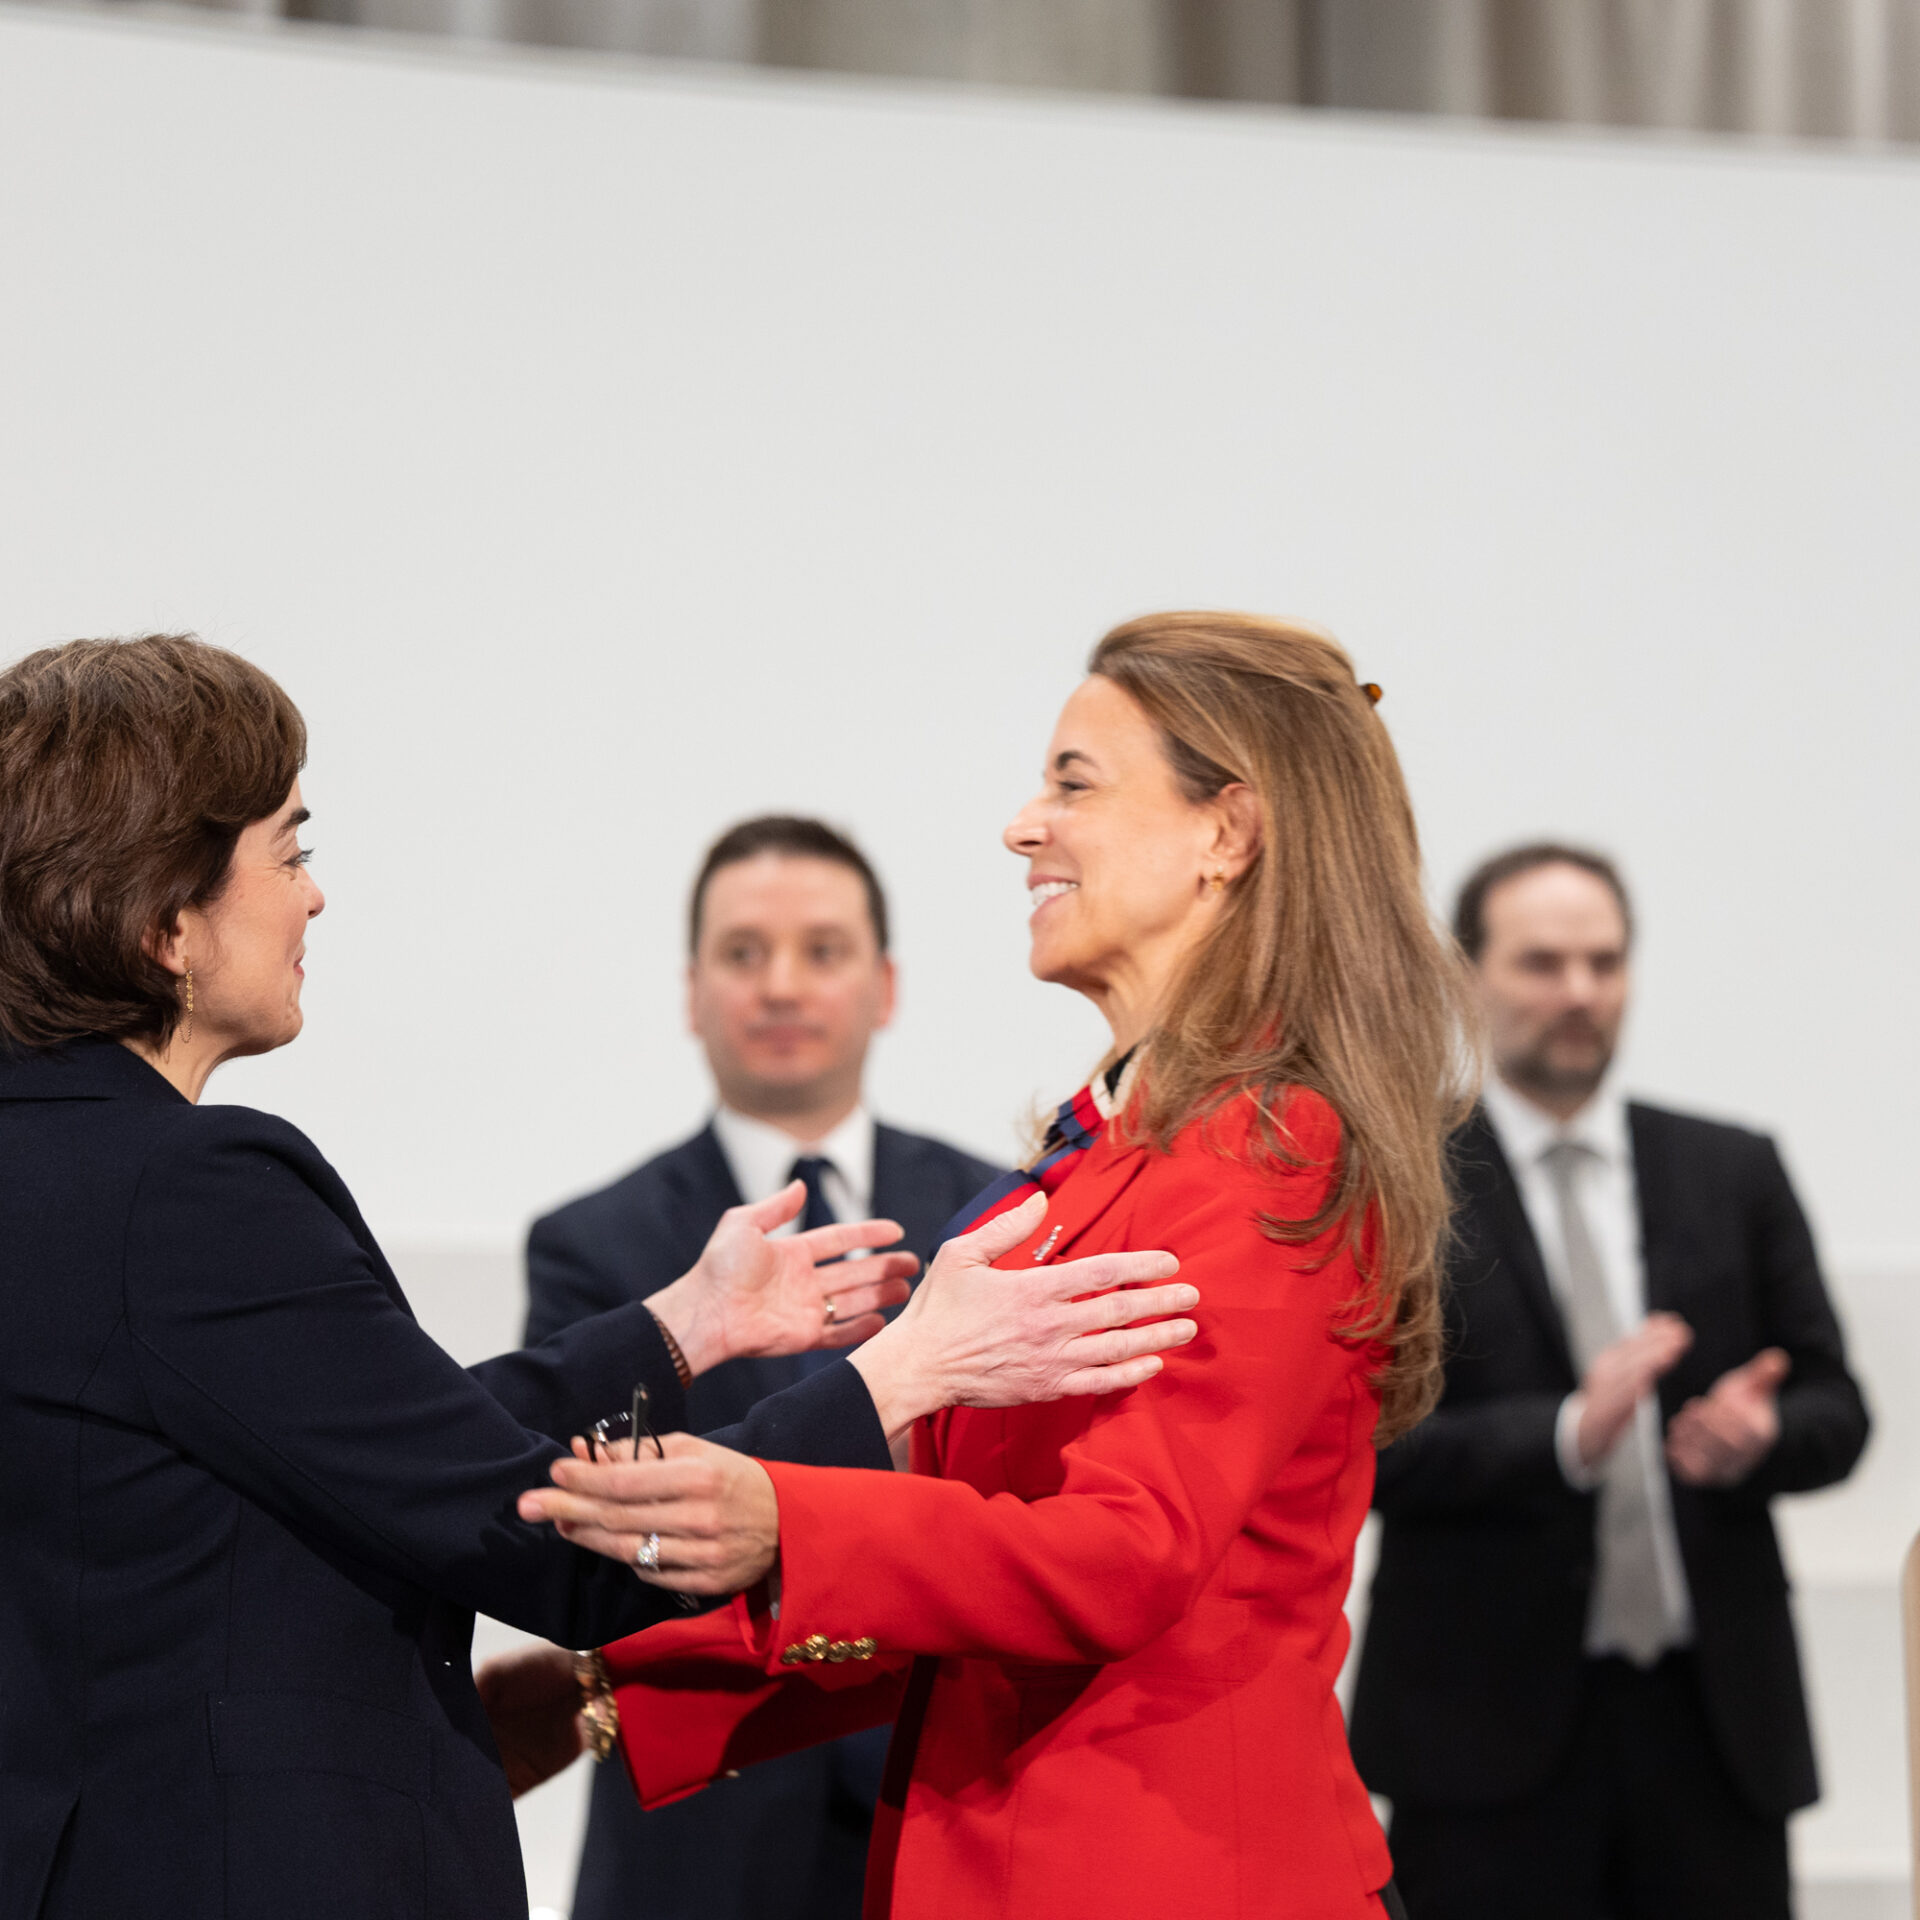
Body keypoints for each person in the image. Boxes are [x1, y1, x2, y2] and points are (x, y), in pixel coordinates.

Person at [0, 633, 1201, 1920]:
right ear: (163, 923)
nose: (315, 898)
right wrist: (896, 1372)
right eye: (289, 851)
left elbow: (371, 1440)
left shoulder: (48, 1164)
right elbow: (552, 1544)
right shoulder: (193, 1186)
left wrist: (686, 1327)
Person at [520, 612, 1474, 1920]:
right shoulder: (1102, 1158)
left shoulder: (1271, 1149)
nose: (1025, 827)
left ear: (1226, 832)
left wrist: (787, 1518)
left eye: (1076, 782)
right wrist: (610, 1701)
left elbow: (1124, 1553)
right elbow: (973, 1580)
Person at [1349, 843, 1870, 1920]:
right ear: (1468, 974)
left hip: (1714, 1723)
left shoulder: (1732, 1169)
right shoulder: (1402, 1177)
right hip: (1483, 1736)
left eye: (1605, 962)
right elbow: (1364, 1445)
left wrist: (1761, 1436)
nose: (1579, 993)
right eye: (1543, 963)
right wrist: (1562, 1437)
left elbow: (1836, 1406)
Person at [525, 815, 1001, 1920]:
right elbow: (594, 1520)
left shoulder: (993, 1213)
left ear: (884, 987)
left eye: (822, 951)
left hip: (949, 1786)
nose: (782, 985)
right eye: (744, 954)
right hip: (707, 1816)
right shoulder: (596, 1242)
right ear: (693, 991)